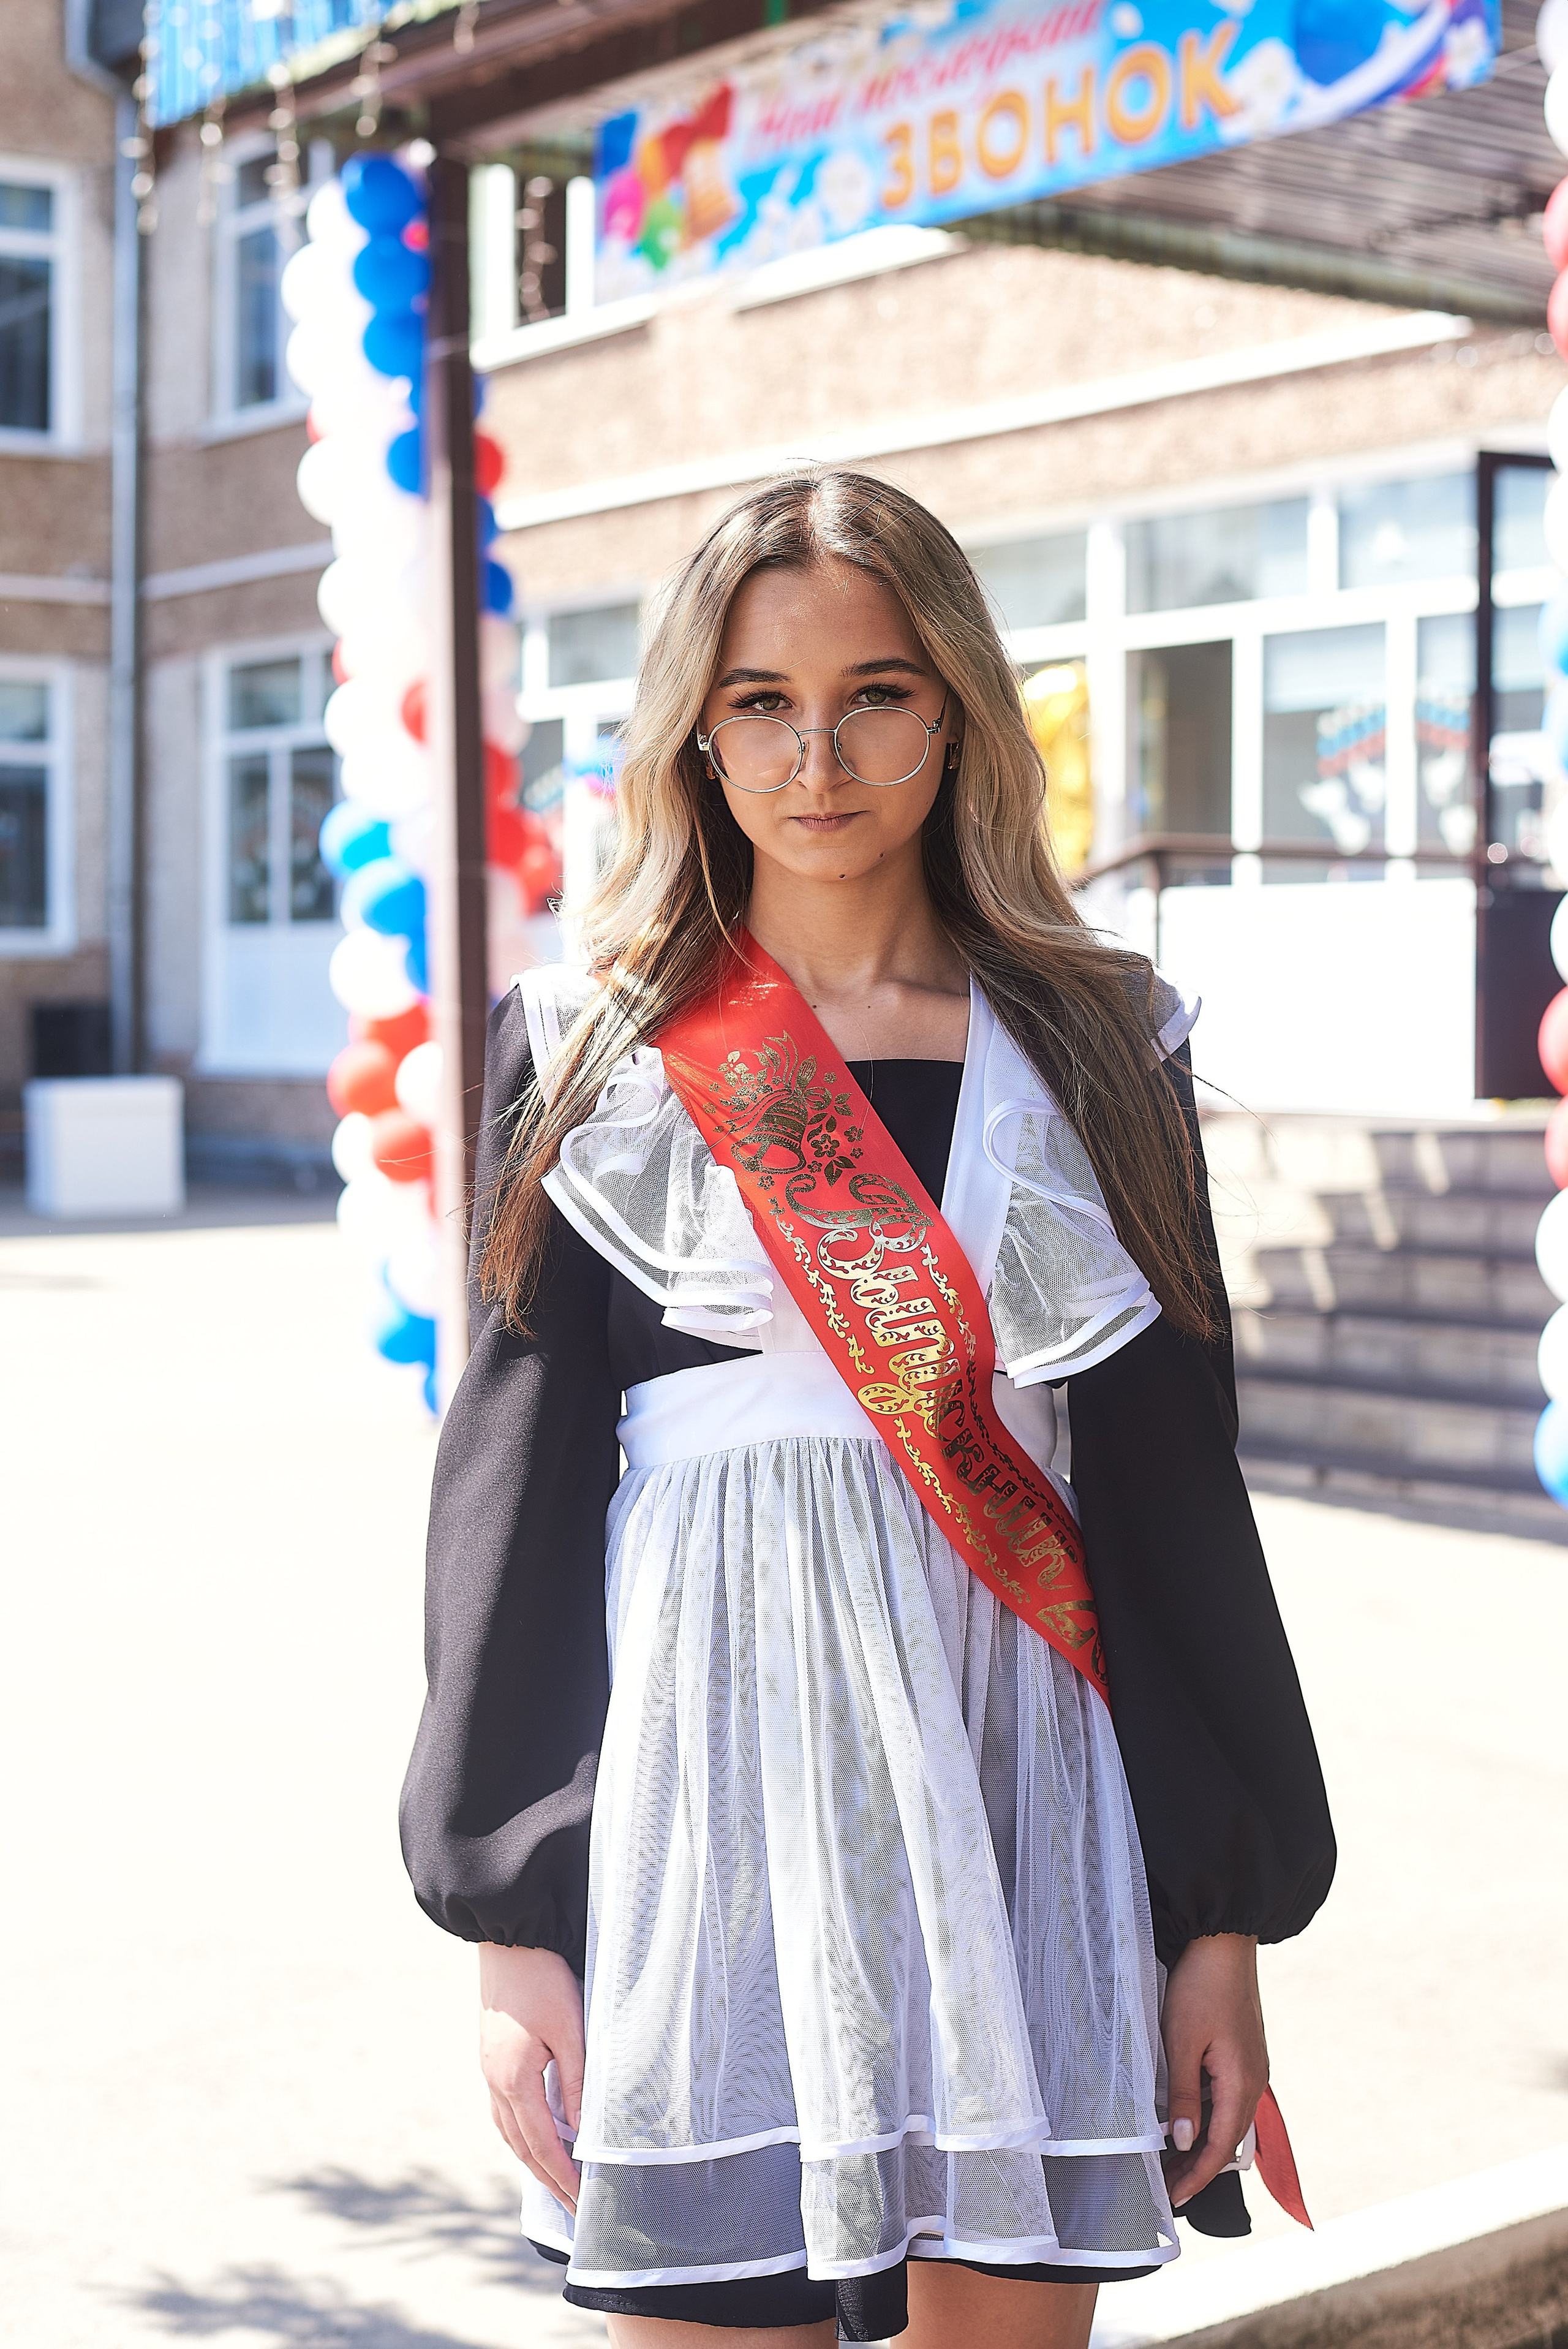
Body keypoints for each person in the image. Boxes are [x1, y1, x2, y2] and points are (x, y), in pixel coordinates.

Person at [400, 469, 1335, 2349]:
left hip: (1021, 1801)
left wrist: (1213, 1907)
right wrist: (513, 1916)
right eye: (758, 699)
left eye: (876, 694)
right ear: (694, 724)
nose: (815, 755)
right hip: (709, 1805)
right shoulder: (591, 1046)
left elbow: (1171, 1501)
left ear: (961, 706)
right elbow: (507, 1496)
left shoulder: (1100, 1046)